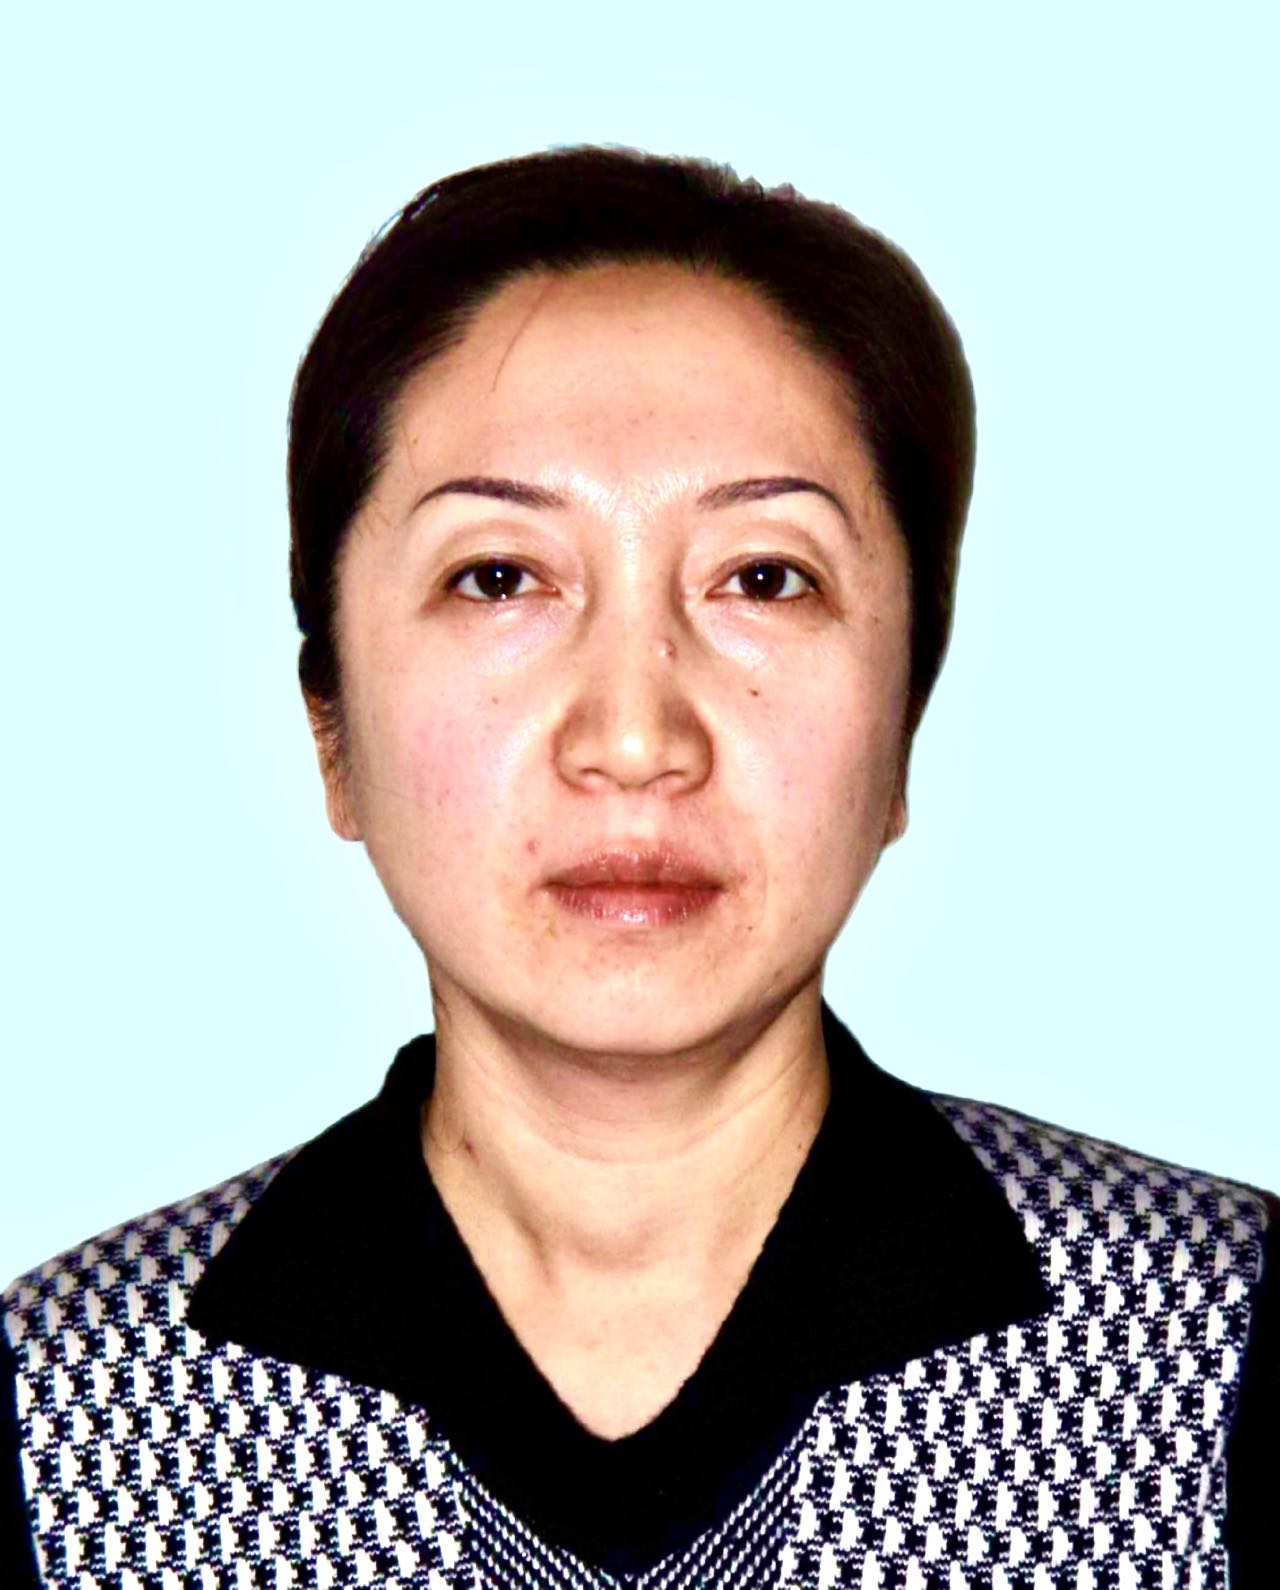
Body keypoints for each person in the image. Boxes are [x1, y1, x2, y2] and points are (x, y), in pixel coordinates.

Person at [3, 144, 1274, 1588]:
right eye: (498, 576)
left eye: (764, 577)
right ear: (331, 728)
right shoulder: (59, 1420)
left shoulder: (1219, 1349)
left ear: (903, 725)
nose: (633, 736)